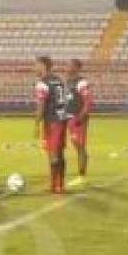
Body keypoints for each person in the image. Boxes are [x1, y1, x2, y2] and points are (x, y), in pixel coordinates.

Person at [34, 55, 72, 195]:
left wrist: (37, 124)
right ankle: (59, 184)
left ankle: (55, 186)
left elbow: (41, 104)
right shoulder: (59, 80)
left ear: (43, 66)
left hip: (52, 121)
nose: (34, 68)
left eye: (36, 65)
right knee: (59, 153)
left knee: (53, 153)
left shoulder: (42, 83)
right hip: (62, 119)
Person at [65, 58, 93, 188]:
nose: (67, 67)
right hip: (69, 118)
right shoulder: (68, 82)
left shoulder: (81, 82)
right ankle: (81, 174)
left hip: (78, 119)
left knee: (80, 147)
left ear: (77, 68)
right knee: (76, 145)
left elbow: (88, 101)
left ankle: (82, 176)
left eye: (70, 65)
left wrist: (80, 117)